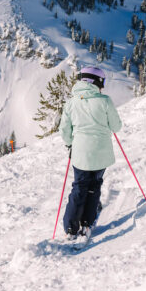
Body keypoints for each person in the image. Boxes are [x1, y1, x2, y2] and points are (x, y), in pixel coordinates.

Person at [59, 66, 122, 240]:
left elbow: (64, 130)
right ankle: (87, 223)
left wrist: (70, 144)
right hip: (101, 153)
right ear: (97, 81)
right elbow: (116, 126)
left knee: (79, 186)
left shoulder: (72, 102)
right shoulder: (105, 101)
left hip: (80, 152)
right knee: (94, 186)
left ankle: (71, 228)